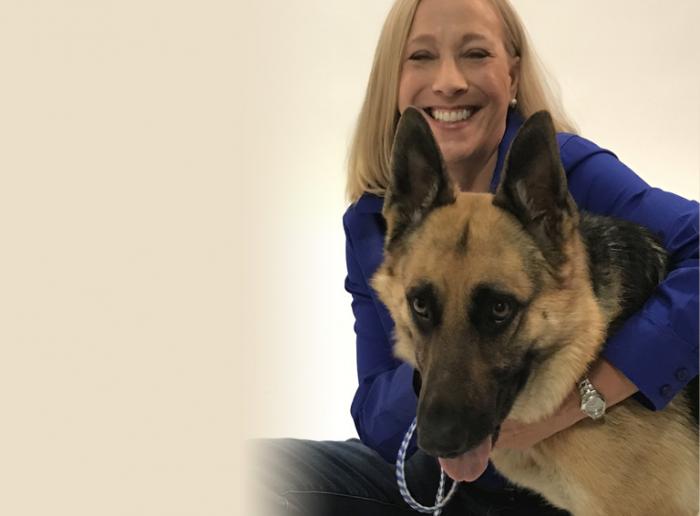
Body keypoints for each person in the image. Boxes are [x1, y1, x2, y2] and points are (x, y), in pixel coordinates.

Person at [252, 0, 699, 514]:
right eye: (421, 56)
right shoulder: (376, 219)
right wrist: (435, 364)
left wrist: (583, 398)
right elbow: (377, 418)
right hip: (448, 479)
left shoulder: (563, 172)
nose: (449, 82)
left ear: (512, 74)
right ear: (392, 81)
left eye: (475, 53)